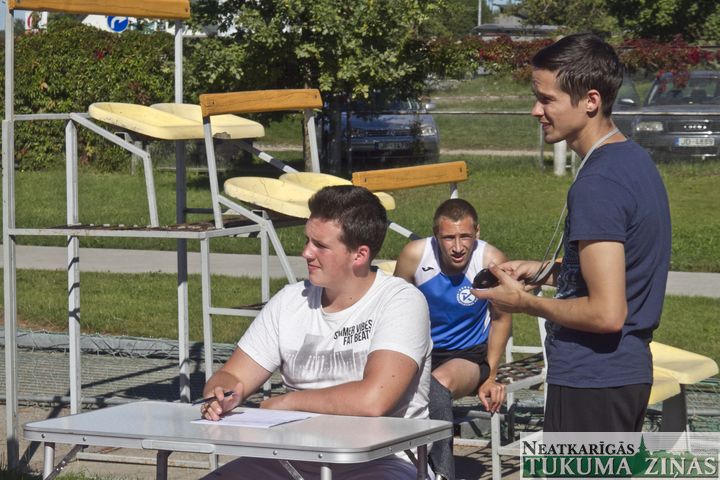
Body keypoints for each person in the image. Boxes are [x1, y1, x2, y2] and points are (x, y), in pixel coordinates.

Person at [473, 33, 672, 433]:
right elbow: (621, 269)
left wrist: (524, 303)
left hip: (593, 380)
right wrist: (545, 271)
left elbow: (606, 313)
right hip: (618, 377)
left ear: (590, 101)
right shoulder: (632, 160)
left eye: (547, 99)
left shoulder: (599, 183)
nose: (536, 111)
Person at [199, 185, 433, 479]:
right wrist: (220, 393)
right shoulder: (289, 300)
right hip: (289, 459)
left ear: (359, 255)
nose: (306, 252)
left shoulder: (401, 301)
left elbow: (374, 400)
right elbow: (233, 376)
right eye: (307, 240)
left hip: (379, 461)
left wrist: (287, 403)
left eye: (320, 245)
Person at [395, 198, 512, 480]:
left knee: (436, 387)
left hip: (468, 355)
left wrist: (490, 376)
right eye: (449, 238)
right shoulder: (414, 255)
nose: (458, 247)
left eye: (465, 237)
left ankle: (443, 474)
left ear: (477, 233)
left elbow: (501, 320)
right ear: (436, 235)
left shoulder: (491, 262)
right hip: (422, 351)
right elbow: (394, 307)